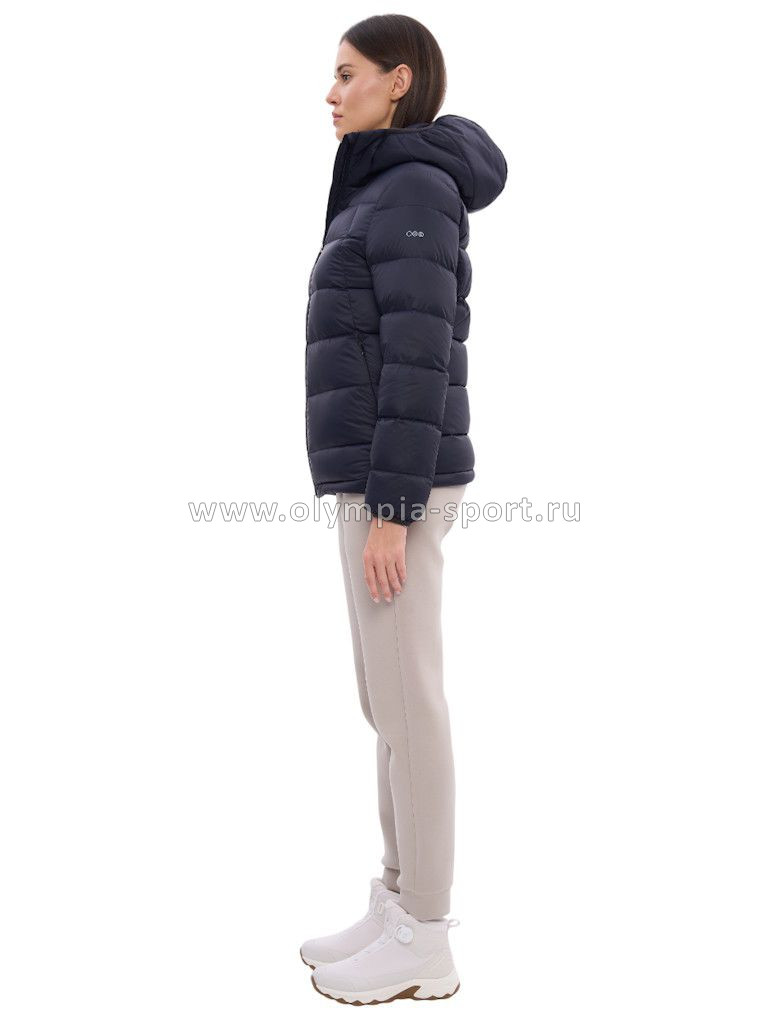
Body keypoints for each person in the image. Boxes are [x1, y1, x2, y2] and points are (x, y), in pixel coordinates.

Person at [300, 14, 507, 1004]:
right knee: (385, 699)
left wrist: (392, 508)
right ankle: (396, 900)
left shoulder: (415, 186)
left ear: (399, 79)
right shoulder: (381, 185)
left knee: (409, 704)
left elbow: (421, 360)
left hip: (398, 485)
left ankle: (426, 932)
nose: (330, 92)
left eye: (347, 74)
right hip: (374, 476)